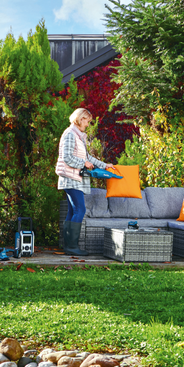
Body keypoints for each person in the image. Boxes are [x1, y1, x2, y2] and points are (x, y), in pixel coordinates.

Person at [56, 108, 114, 256]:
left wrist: (104, 165)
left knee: (72, 211)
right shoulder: (70, 134)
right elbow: (67, 157)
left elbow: (88, 158)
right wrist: (83, 163)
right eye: (87, 121)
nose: (88, 124)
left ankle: (68, 246)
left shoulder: (79, 136)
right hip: (70, 178)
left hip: (75, 178)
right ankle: (72, 246)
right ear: (80, 119)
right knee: (80, 210)